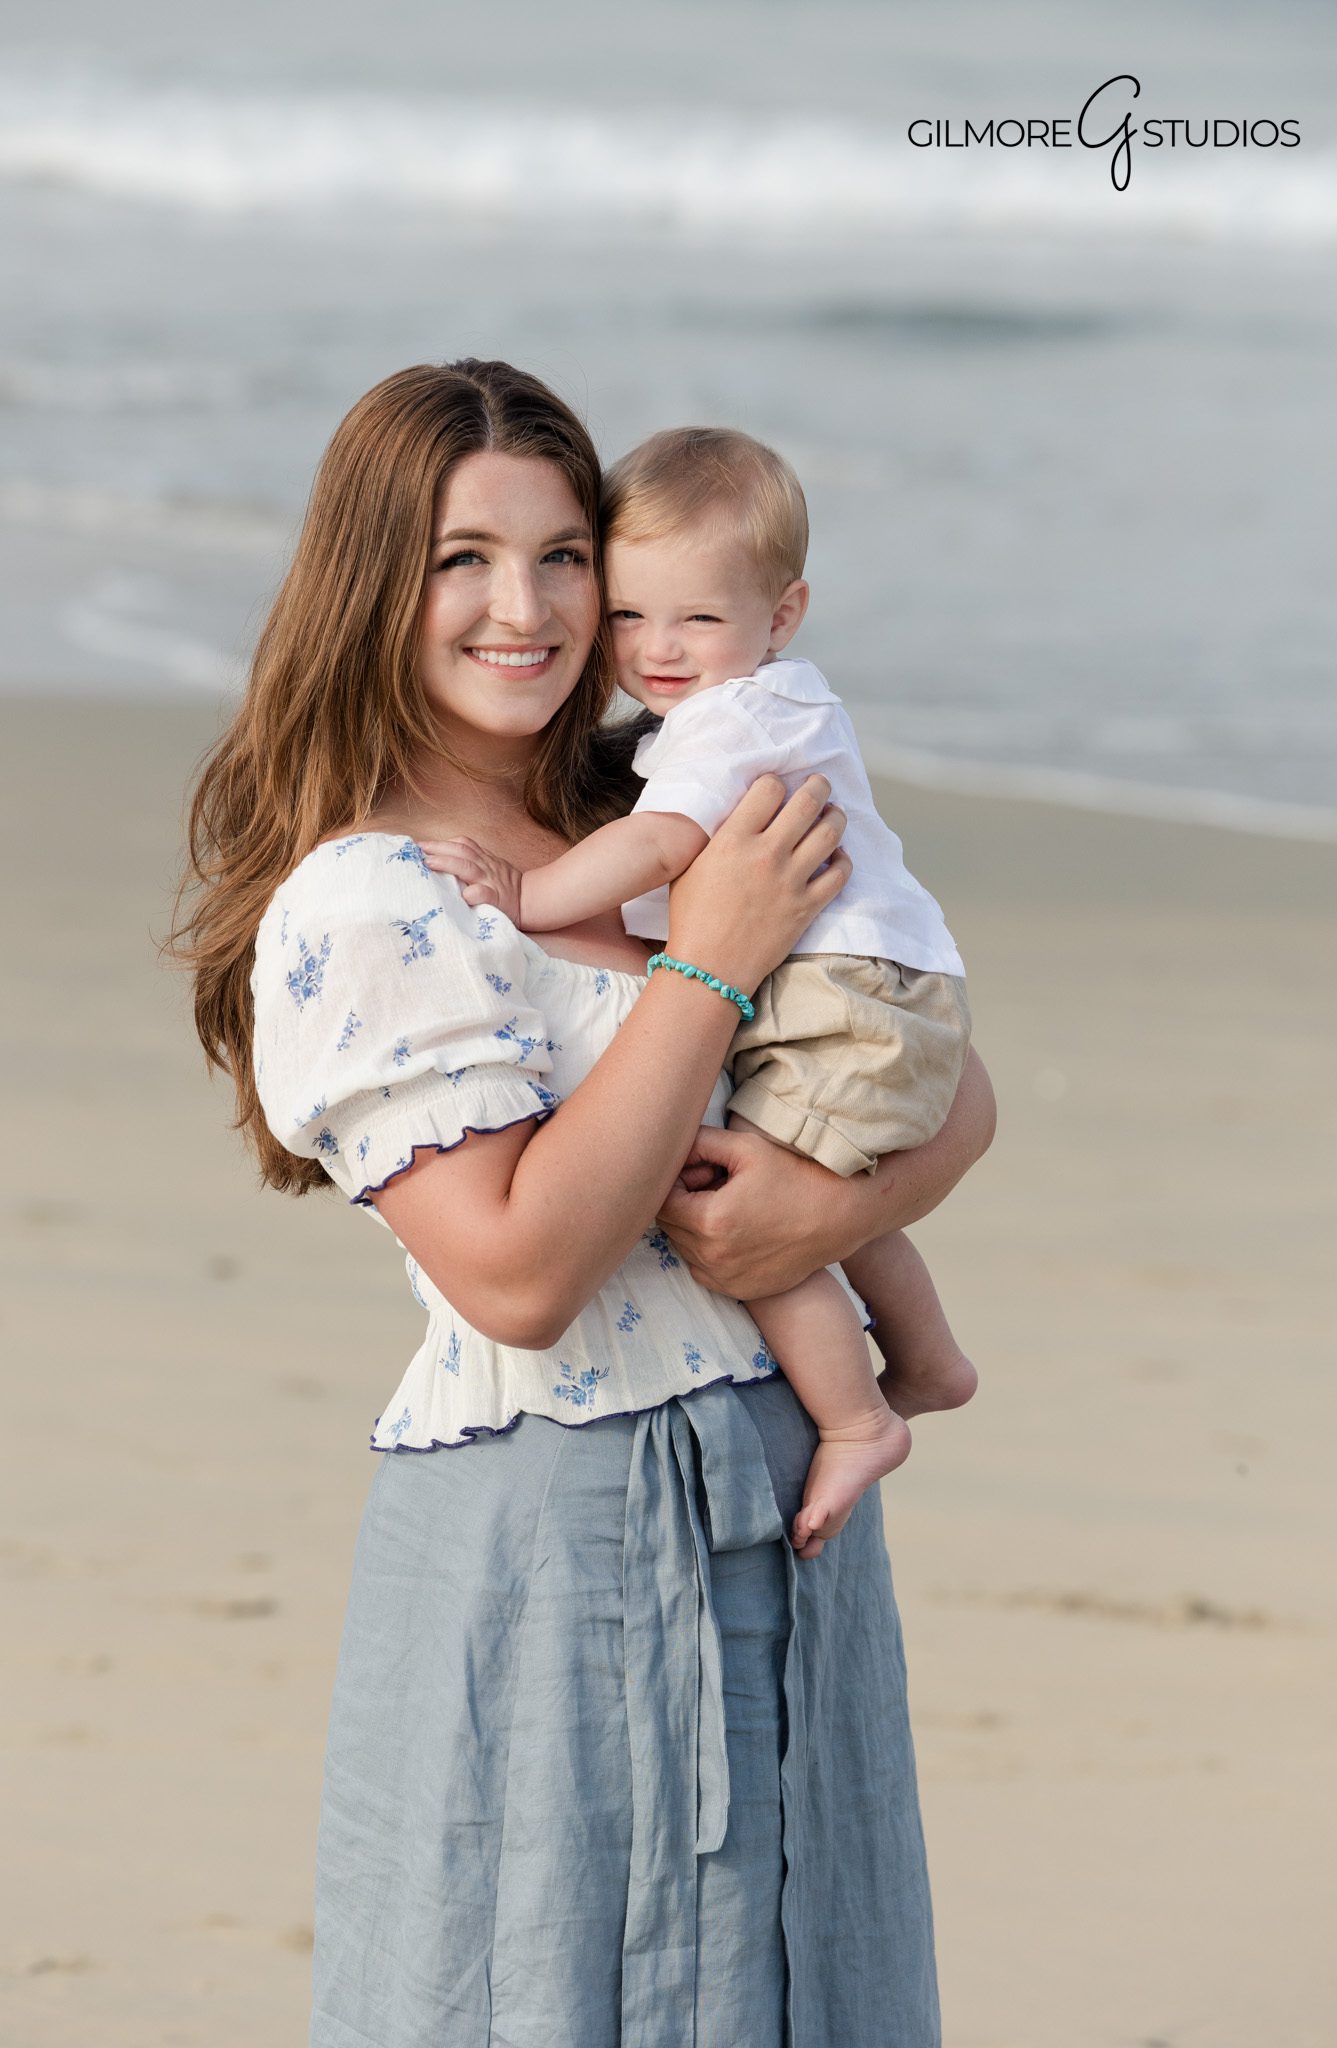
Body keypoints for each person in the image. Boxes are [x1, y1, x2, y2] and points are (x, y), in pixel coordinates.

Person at [173, 358, 995, 2047]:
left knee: (811, 1985)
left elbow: (953, 1093)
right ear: (369, 585)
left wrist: (804, 1225)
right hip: (559, 1529)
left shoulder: (657, 794)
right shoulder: (368, 894)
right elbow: (523, 1271)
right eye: (463, 558)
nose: (525, 608)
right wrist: (712, 959)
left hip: (785, 1493)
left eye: (566, 560)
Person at [418, 425, 976, 1557]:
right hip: (880, 990)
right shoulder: (730, 712)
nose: (656, 647)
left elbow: (664, 842)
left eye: (696, 619)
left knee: (745, 1211)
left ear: (782, 616)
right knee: (796, 1184)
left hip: (845, 995)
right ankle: (927, 1359)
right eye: (631, 614)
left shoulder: (731, 722)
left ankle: (864, 1411)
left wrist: (528, 896)